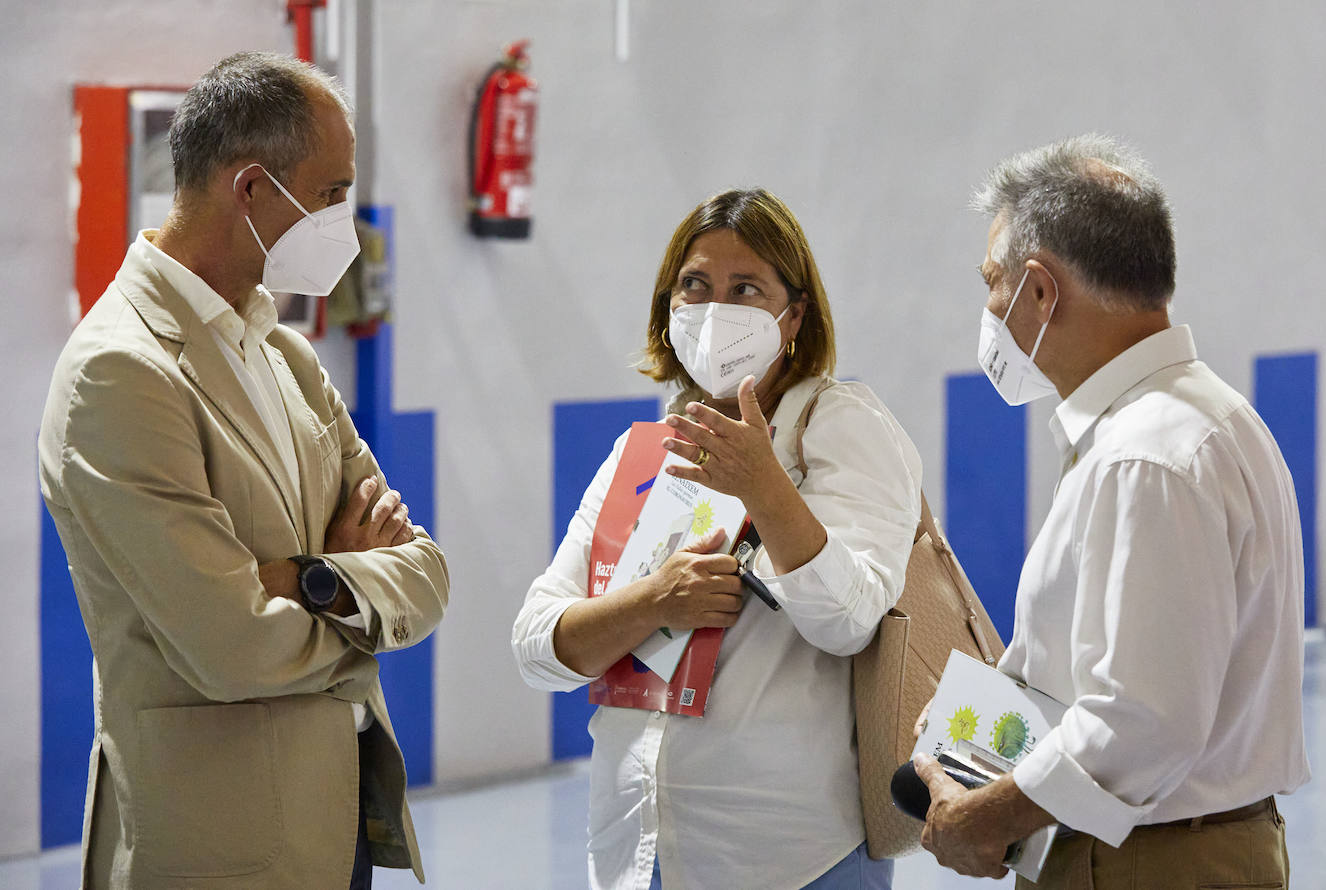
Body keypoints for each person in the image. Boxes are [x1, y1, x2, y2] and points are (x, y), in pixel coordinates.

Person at [38, 52, 449, 889]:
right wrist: (352, 586)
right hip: (216, 848)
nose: (347, 215)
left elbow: (428, 571)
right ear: (253, 190)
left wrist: (304, 581)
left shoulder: (283, 354)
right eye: (332, 192)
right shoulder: (122, 374)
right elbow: (230, 648)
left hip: (337, 829)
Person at [914, 135, 1309, 888]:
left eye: (992, 283)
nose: (989, 311)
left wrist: (989, 814)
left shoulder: (1147, 455)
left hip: (1151, 862)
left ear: (1040, 291)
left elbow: (1142, 721)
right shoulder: (1198, 418)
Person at [512, 188, 923, 889]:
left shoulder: (836, 425)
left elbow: (850, 621)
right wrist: (652, 603)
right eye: (695, 286)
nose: (715, 311)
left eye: (747, 289)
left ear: (793, 316)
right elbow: (538, 647)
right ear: (667, 307)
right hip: (636, 853)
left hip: (790, 859)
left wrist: (766, 487)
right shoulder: (642, 453)